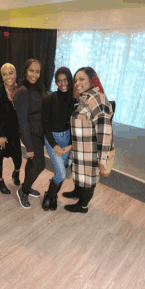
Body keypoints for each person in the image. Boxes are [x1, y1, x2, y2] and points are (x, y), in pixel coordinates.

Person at [63, 67, 113, 213]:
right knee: (80, 174)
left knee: (88, 177)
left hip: (91, 151)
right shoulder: (85, 98)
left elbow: (104, 131)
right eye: (76, 80)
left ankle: (83, 205)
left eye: (81, 79)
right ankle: (78, 192)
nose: (77, 83)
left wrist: (102, 158)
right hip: (81, 148)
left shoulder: (98, 100)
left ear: (92, 80)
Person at [14, 58, 46, 209]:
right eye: (31, 70)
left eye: (37, 71)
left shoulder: (39, 87)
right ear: (25, 71)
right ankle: (24, 191)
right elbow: (22, 122)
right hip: (30, 134)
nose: (34, 74)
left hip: (39, 133)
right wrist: (29, 146)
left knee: (32, 163)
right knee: (40, 165)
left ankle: (27, 185)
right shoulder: (22, 91)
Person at [42, 67, 74, 211]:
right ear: (56, 82)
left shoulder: (74, 100)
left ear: (69, 79)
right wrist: (54, 144)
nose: (62, 83)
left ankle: (53, 195)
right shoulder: (49, 98)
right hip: (52, 139)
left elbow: (76, 126)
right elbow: (45, 125)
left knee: (60, 172)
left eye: (65, 80)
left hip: (67, 140)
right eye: (59, 81)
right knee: (61, 173)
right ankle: (49, 195)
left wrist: (71, 145)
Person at [0, 63, 22, 194]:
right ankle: (0, 182)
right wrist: (1, 135)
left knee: (18, 156)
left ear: (15, 73)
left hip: (13, 129)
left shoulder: (20, 89)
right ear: (1, 76)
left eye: (11, 73)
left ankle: (16, 173)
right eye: (4, 74)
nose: (8, 77)